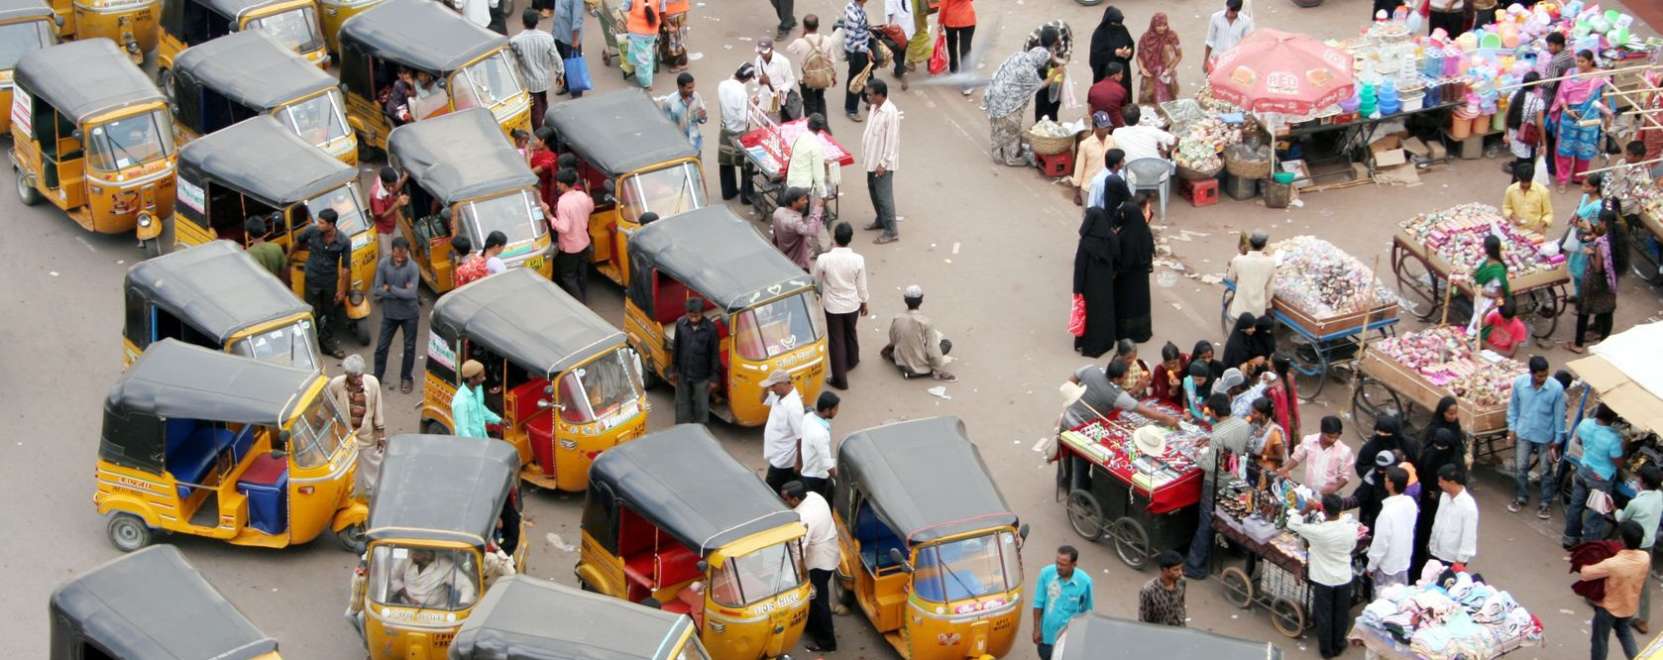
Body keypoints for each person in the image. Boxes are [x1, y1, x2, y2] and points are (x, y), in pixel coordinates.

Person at [1288, 493, 1361, 659]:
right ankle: (1339, 644)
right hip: (1343, 577)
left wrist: (1306, 509)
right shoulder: (1350, 528)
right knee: (1341, 613)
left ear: (1325, 512)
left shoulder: (1317, 531)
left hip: (1324, 579)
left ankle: (1326, 650)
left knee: (1324, 614)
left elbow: (1292, 523)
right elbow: (1351, 546)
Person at [1187, 393, 1250, 578]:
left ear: (1214, 412)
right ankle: (1240, 549)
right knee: (1233, 516)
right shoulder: (1243, 424)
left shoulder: (1218, 435)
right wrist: (1209, 441)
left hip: (1216, 483)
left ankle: (1195, 567)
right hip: (1236, 479)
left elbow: (1210, 465)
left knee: (1206, 523)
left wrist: (1197, 455)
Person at [780, 481, 836, 651]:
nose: (784, 501)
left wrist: (791, 577)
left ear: (796, 499)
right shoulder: (814, 496)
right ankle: (811, 627)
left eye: (786, 499)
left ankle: (827, 642)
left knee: (819, 601)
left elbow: (798, 550)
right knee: (813, 598)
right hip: (829, 551)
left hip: (819, 562)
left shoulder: (804, 518)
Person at [1507, 356, 1565, 518]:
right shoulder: (1519, 383)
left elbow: (1559, 416)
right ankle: (1521, 496)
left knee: (1546, 471)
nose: (1543, 379)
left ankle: (1545, 503)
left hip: (1545, 435)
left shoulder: (1556, 388)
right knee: (1521, 467)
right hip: (1524, 432)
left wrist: (1557, 440)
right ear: (1531, 373)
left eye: (1545, 375)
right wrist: (1512, 429)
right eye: (1540, 376)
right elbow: (1513, 408)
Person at [812, 223, 868, 390]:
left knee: (836, 340)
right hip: (852, 304)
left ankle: (840, 379)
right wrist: (864, 301)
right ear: (850, 239)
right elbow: (862, 285)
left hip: (833, 306)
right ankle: (852, 360)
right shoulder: (858, 259)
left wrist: (818, 295)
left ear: (835, 237)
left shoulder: (824, 259)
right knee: (851, 331)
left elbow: (817, 281)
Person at [1581, 521, 1648, 660]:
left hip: (1608, 608)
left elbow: (1585, 573)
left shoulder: (1613, 564)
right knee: (1624, 633)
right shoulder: (1645, 557)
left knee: (1600, 641)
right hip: (1629, 605)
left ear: (1622, 540)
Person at [984, 37, 1055, 167]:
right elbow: (1040, 85)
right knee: (1013, 129)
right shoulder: (1029, 70)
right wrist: (1055, 74)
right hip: (1008, 103)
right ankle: (1011, 158)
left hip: (993, 93)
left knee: (997, 126)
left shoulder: (1019, 55)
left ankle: (996, 154)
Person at [290, 208, 351, 358]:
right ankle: (312, 342)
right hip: (311, 280)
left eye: (322, 222)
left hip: (329, 281)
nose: (318, 224)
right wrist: (288, 259)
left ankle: (327, 343)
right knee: (313, 311)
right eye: (318, 221)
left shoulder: (344, 241)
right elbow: (297, 242)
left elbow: (345, 268)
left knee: (330, 313)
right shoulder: (311, 231)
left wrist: (342, 290)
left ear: (331, 225)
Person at [1412, 409, 1465, 576]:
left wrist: (1439, 491)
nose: (1438, 449)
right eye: (1436, 445)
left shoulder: (1455, 464)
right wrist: (1429, 490)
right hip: (1427, 500)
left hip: (1443, 501)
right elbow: (1420, 471)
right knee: (1424, 534)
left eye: (1442, 446)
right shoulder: (1428, 453)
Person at [1565, 403, 1626, 547]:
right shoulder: (1614, 438)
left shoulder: (1585, 423)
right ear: (1613, 419)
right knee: (1596, 515)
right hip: (1600, 479)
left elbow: (1579, 441)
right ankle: (1589, 548)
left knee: (1576, 506)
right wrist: (1624, 448)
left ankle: (1569, 539)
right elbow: (1618, 462)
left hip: (1583, 468)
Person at [1552, 50, 1613, 189]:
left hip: (1590, 120)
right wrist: (1567, 109)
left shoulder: (1600, 77)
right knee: (1564, 150)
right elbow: (1562, 95)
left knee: (1584, 150)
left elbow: (1605, 99)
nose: (1579, 64)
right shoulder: (1570, 74)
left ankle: (1579, 178)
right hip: (1569, 118)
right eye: (1577, 61)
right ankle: (1562, 180)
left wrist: (1607, 117)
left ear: (1591, 61)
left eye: (1582, 61)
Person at [327, 354, 385, 496]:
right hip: (345, 437)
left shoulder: (372, 383)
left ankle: (374, 496)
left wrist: (381, 436)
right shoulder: (336, 384)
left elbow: (378, 410)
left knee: (373, 469)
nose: (359, 380)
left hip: (367, 435)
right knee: (346, 471)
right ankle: (347, 497)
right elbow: (328, 406)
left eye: (361, 375)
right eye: (355, 377)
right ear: (347, 374)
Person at [1061, 359, 1176, 429]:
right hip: (1080, 428)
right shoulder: (1116, 395)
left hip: (1065, 418)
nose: (1125, 380)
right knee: (1079, 465)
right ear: (1116, 379)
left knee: (1063, 461)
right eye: (1124, 378)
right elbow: (1145, 411)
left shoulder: (1091, 368)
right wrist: (1167, 418)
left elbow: (1069, 384)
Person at [372, 236, 420, 393]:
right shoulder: (383, 264)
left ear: (407, 252)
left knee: (409, 347)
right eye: (397, 253)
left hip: (409, 314)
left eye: (403, 253)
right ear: (391, 251)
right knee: (381, 347)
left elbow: (411, 294)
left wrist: (390, 288)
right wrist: (401, 292)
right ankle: (376, 377)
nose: (399, 257)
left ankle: (406, 378)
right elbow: (377, 290)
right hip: (390, 314)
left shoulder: (413, 267)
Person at [1617, 466, 1662, 633]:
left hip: (1631, 543)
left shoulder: (1635, 503)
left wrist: (1616, 511)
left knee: (1614, 568)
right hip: (1648, 544)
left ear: (1642, 482)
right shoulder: (1660, 496)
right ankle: (1643, 620)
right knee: (1645, 582)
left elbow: (1623, 520)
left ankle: (1602, 599)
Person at [881, 285, 955, 381]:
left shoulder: (897, 318)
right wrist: (938, 370)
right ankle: (920, 368)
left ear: (905, 299)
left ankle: (905, 365)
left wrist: (889, 348)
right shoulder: (926, 322)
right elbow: (933, 351)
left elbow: (893, 340)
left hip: (902, 361)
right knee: (946, 343)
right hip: (920, 366)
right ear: (921, 300)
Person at [1033, 546, 1093, 660]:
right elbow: (1038, 603)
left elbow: (1087, 612)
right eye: (1057, 563)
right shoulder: (1045, 574)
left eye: (1063, 564)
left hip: (1069, 640)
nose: (1059, 567)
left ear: (1074, 564)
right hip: (1047, 637)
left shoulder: (1085, 582)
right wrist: (1036, 629)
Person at [1073, 207, 1119, 358]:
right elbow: (1117, 258)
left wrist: (1077, 289)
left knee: (1091, 313)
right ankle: (1105, 341)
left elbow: (1080, 267)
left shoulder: (1086, 242)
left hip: (1089, 284)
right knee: (1104, 311)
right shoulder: (1111, 237)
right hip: (1105, 282)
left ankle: (1087, 343)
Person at [1568, 214, 1618, 353]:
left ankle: (1578, 345)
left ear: (1603, 223)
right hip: (1610, 281)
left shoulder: (1601, 243)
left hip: (1594, 281)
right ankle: (1605, 344)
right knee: (1607, 311)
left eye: (1600, 222)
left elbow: (1597, 267)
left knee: (1584, 311)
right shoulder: (1617, 239)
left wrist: (1590, 253)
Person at [861, 79, 901, 243]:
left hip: (881, 164)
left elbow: (892, 141)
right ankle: (881, 219)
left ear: (880, 95)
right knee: (873, 191)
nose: (868, 97)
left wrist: (883, 163)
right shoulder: (873, 108)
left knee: (884, 197)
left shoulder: (890, 113)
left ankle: (891, 231)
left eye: (870, 94)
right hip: (871, 159)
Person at [510, 9, 563, 131]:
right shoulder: (547, 38)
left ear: (523, 22)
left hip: (528, 84)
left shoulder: (515, 41)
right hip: (543, 81)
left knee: (535, 110)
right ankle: (548, 128)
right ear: (537, 22)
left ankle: (541, 135)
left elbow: (513, 63)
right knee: (543, 104)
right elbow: (557, 59)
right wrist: (560, 75)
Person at [669, 298, 720, 423]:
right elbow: (676, 347)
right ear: (686, 314)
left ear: (702, 314)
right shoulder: (680, 324)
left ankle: (700, 432)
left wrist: (714, 378)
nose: (693, 319)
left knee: (701, 406)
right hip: (683, 373)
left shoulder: (711, 329)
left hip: (702, 376)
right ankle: (682, 429)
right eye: (690, 316)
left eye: (696, 316)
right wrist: (673, 370)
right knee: (682, 405)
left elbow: (714, 354)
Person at [1113, 193, 1154, 342]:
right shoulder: (1145, 232)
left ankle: (1124, 333)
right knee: (1139, 306)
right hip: (1141, 279)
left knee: (1126, 306)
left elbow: (1123, 261)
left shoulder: (1124, 235)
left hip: (1126, 280)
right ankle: (1141, 332)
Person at [1367, 468, 1417, 588]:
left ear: (1391, 484)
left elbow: (1380, 543)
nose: (1384, 480)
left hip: (1387, 566)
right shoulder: (1410, 503)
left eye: (1386, 479)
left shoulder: (1386, 513)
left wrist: (1371, 566)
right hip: (1403, 561)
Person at [1280, 416, 1354, 495]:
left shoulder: (1345, 451)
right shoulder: (1309, 441)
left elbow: (1345, 476)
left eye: (1336, 437)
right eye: (1329, 437)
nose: (1333, 440)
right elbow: (1297, 457)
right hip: (1309, 492)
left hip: (1329, 496)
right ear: (1322, 432)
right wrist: (1285, 469)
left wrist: (1335, 487)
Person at [551, 169, 594, 301]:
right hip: (584, 242)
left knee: (568, 276)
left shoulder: (563, 203)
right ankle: (583, 298)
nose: (557, 185)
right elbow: (591, 207)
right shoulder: (582, 195)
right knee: (582, 273)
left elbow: (563, 228)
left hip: (570, 247)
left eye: (558, 183)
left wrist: (550, 217)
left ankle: (580, 303)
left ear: (563, 185)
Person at [717, 65, 758, 203]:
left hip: (726, 128)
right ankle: (746, 196)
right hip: (739, 131)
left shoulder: (722, 85)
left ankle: (728, 192)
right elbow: (743, 117)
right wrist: (752, 106)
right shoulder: (741, 93)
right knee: (746, 164)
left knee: (725, 162)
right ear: (747, 78)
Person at [761, 370, 804, 493]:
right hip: (775, 453)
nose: (772, 388)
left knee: (769, 490)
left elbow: (800, 437)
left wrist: (798, 462)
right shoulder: (777, 395)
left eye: (774, 385)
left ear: (785, 383)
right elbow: (762, 400)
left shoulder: (793, 406)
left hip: (784, 459)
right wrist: (765, 387)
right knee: (780, 489)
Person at [1428, 463, 1478, 566]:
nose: (1439, 484)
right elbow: (1438, 522)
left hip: (1450, 560)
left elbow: (1469, 537)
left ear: (1452, 483)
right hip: (1434, 552)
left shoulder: (1468, 507)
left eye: (1441, 481)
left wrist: (1460, 562)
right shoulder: (1444, 497)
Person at [1023, 20, 1072, 124]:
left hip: (1058, 64)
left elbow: (1068, 47)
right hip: (1041, 67)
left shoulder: (1063, 29)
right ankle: (1040, 123)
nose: (1051, 50)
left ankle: (1052, 121)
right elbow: (1028, 62)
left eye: (1053, 45)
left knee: (1055, 98)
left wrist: (1062, 62)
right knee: (1041, 96)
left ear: (1057, 39)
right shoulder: (1032, 39)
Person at [788, 15, 836, 118]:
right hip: (822, 78)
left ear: (804, 27)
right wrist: (833, 76)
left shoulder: (799, 42)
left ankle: (813, 128)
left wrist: (802, 36)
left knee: (810, 105)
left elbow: (790, 49)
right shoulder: (827, 40)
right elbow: (832, 61)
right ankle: (823, 127)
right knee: (820, 100)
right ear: (818, 26)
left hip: (806, 80)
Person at [391, 549, 475, 608]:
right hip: (406, 609)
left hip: (437, 613)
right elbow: (393, 578)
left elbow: (467, 586)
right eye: (413, 552)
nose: (412, 555)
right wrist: (408, 598)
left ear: (428, 555)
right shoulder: (407, 557)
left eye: (417, 553)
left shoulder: (445, 565)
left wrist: (463, 604)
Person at [785, 113, 835, 207]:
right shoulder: (816, 146)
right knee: (810, 213)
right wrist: (824, 196)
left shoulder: (799, 138)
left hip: (791, 181)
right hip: (804, 188)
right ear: (820, 129)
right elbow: (818, 176)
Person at [1466, 235, 1510, 335]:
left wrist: (1482, 292)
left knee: (1474, 330)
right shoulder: (1487, 261)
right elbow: (1479, 271)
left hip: (1489, 304)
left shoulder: (1497, 272)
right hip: (1481, 300)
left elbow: (1500, 295)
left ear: (1486, 249)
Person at [1225, 231, 1274, 320]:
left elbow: (1230, 279)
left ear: (1250, 243)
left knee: (1239, 331)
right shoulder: (1271, 263)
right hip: (1258, 310)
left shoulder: (1238, 260)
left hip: (1240, 309)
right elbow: (1269, 289)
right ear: (1264, 246)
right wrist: (1266, 304)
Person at [799, 392, 839, 498]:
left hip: (809, 470)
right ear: (826, 410)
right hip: (816, 478)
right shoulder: (820, 433)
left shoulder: (808, 417)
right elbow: (827, 463)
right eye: (835, 409)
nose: (836, 412)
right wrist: (839, 480)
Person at [1072, 113, 1117, 206]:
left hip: (1107, 188)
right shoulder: (1085, 145)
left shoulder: (1112, 140)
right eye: (1103, 127)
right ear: (1094, 127)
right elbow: (1079, 168)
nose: (1106, 130)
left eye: (1108, 127)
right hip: (1089, 188)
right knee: (1089, 217)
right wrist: (1077, 191)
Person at [656, 72, 709, 152]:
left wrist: (702, 117)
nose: (692, 90)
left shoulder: (696, 96)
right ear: (680, 87)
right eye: (689, 88)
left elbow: (702, 117)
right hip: (678, 146)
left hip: (695, 142)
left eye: (693, 87)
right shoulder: (669, 103)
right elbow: (666, 125)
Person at [1087, 5, 1133, 95]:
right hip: (1105, 75)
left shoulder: (1122, 29)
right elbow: (1095, 58)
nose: (1117, 26)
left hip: (1122, 73)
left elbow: (1130, 43)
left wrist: (1129, 52)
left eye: (1119, 24)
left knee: (1122, 98)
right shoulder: (1099, 34)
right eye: (1115, 24)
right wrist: (1114, 53)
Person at [1136, 13, 1181, 105]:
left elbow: (1179, 55)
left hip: (1165, 75)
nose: (1162, 28)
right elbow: (1139, 56)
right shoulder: (1145, 38)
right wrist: (1142, 69)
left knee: (1167, 101)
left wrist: (1170, 69)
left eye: (1164, 25)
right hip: (1150, 75)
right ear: (1153, 25)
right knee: (1148, 103)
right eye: (1159, 26)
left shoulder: (1172, 36)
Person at [1109, 106, 1175, 168]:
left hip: (1132, 177)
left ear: (1122, 119)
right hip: (1156, 174)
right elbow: (1175, 140)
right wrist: (1166, 151)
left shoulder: (1116, 133)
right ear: (1139, 117)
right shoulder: (1151, 130)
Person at [1506, 72, 1546, 171]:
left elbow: (1506, 115)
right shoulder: (1538, 102)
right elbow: (1540, 124)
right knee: (1526, 165)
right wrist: (1543, 143)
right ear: (1536, 85)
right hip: (1528, 137)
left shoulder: (1514, 94)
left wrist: (1505, 133)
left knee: (1519, 158)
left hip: (1514, 133)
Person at [452, 360, 502, 439]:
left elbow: (480, 408)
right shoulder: (460, 402)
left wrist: (499, 420)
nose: (484, 378)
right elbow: (463, 432)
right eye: (481, 377)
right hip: (473, 446)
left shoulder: (478, 388)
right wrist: (476, 448)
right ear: (471, 379)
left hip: (483, 438)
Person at [619, 0, 663, 88]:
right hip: (652, 31)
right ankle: (646, 75)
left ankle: (646, 83)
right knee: (647, 53)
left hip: (636, 32)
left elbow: (624, 8)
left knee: (642, 58)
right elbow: (662, 10)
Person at [771, 187, 818, 270]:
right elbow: (812, 231)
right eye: (803, 200)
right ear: (794, 203)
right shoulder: (796, 222)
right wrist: (818, 209)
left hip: (784, 259)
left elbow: (775, 238)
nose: (806, 202)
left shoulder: (778, 212)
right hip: (798, 265)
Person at [841, 0, 873, 122]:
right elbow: (849, 43)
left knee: (868, 76)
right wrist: (866, 50)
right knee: (856, 80)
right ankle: (851, 109)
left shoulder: (857, 7)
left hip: (863, 49)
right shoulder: (853, 16)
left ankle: (868, 99)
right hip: (857, 53)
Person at [1501, 161, 1554, 234]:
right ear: (1518, 178)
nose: (1525, 185)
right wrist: (1513, 216)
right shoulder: (1511, 190)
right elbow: (1506, 207)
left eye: (1527, 182)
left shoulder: (1543, 191)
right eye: (1523, 182)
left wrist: (1541, 225)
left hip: (1535, 232)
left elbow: (1548, 213)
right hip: (1516, 230)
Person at [1202, 0, 1252, 74]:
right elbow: (1210, 41)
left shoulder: (1246, 22)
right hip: (1217, 60)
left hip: (1234, 62)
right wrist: (1205, 61)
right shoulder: (1215, 18)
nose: (1229, 13)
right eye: (1228, 9)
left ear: (1238, 10)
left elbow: (1246, 45)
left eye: (1232, 11)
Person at [754, 39, 799, 121]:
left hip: (776, 100)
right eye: (760, 52)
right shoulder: (758, 60)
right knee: (761, 124)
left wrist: (781, 90)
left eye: (764, 52)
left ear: (771, 49)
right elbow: (755, 77)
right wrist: (760, 81)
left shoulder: (783, 61)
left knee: (775, 124)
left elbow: (790, 80)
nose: (762, 55)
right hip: (763, 98)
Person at [1138, 551, 1186, 627]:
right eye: (1176, 570)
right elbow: (1143, 619)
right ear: (1165, 570)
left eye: (1181, 569)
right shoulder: (1148, 591)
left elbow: (1181, 604)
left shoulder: (1181, 582)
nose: (1180, 573)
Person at [369, 167, 408, 261]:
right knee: (388, 256)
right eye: (391, 185)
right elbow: (381, 216)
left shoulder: (387, 181)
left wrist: (404, 178)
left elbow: (394, 190)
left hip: (393, 224)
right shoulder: (376, 195)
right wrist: (397, 204)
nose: (393, 187)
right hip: (383, 230)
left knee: (402, 247)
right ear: (385, 182)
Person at [938, 0, 975, 95]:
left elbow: (943, 6)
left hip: (951, 20)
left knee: (951, 44)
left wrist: (940, 22)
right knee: (965, 50)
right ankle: (966, 85)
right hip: (968, 19)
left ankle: (953, 69)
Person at [551, 0, 586, 97]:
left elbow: (577, 18)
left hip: (570, 38)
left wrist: (575, 40)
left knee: (573, 65)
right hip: (558, 34)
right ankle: (565, 86)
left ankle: (576, 92)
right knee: (561, 63)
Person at [1267, 355, 1300, 440]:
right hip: (1290, 419)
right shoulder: (1290, 377)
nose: (1268, 363)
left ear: (1274, 366)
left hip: (1280, 423)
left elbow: (1274, 412)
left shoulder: (1273, 387)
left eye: (1270, 361)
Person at [1086, 64, 1128, 129]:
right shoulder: (1121, 90)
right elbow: (1123, 111)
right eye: (1121, 74)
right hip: (1115, 127)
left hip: (1098, 127)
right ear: (1115, 75)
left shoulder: (1093, 88)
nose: (1122, 76)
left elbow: (1090, 111)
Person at [244, 215, 287, 280]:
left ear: (249, 234)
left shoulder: (246, 255)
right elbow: (285, 272)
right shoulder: (276, 247)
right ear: (264, 230)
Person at [1149, 342, 1186, 408]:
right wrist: (1174, 388)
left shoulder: (1183, 358)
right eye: (1169, 363)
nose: (1172, 365)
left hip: (1184, 396)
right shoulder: (1159, 370)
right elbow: (1161, 396)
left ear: (1178, 357)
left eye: (1175, 362)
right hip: (1169, 401)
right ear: (1164, 361)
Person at [529, 128, 558, 209]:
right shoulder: (535, 152)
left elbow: (531, 173)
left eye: (535, 139)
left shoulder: (551, 157)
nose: (533, 142)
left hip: (543, 191)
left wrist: (527, 155)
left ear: (543, 141)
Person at [657, 0, 689, 72]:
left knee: (675, 42)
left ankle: (681, 64)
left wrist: (667, 25)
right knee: (674, 40)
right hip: (677, 13)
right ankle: (670, 59)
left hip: (672, 15)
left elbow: (662, 11)